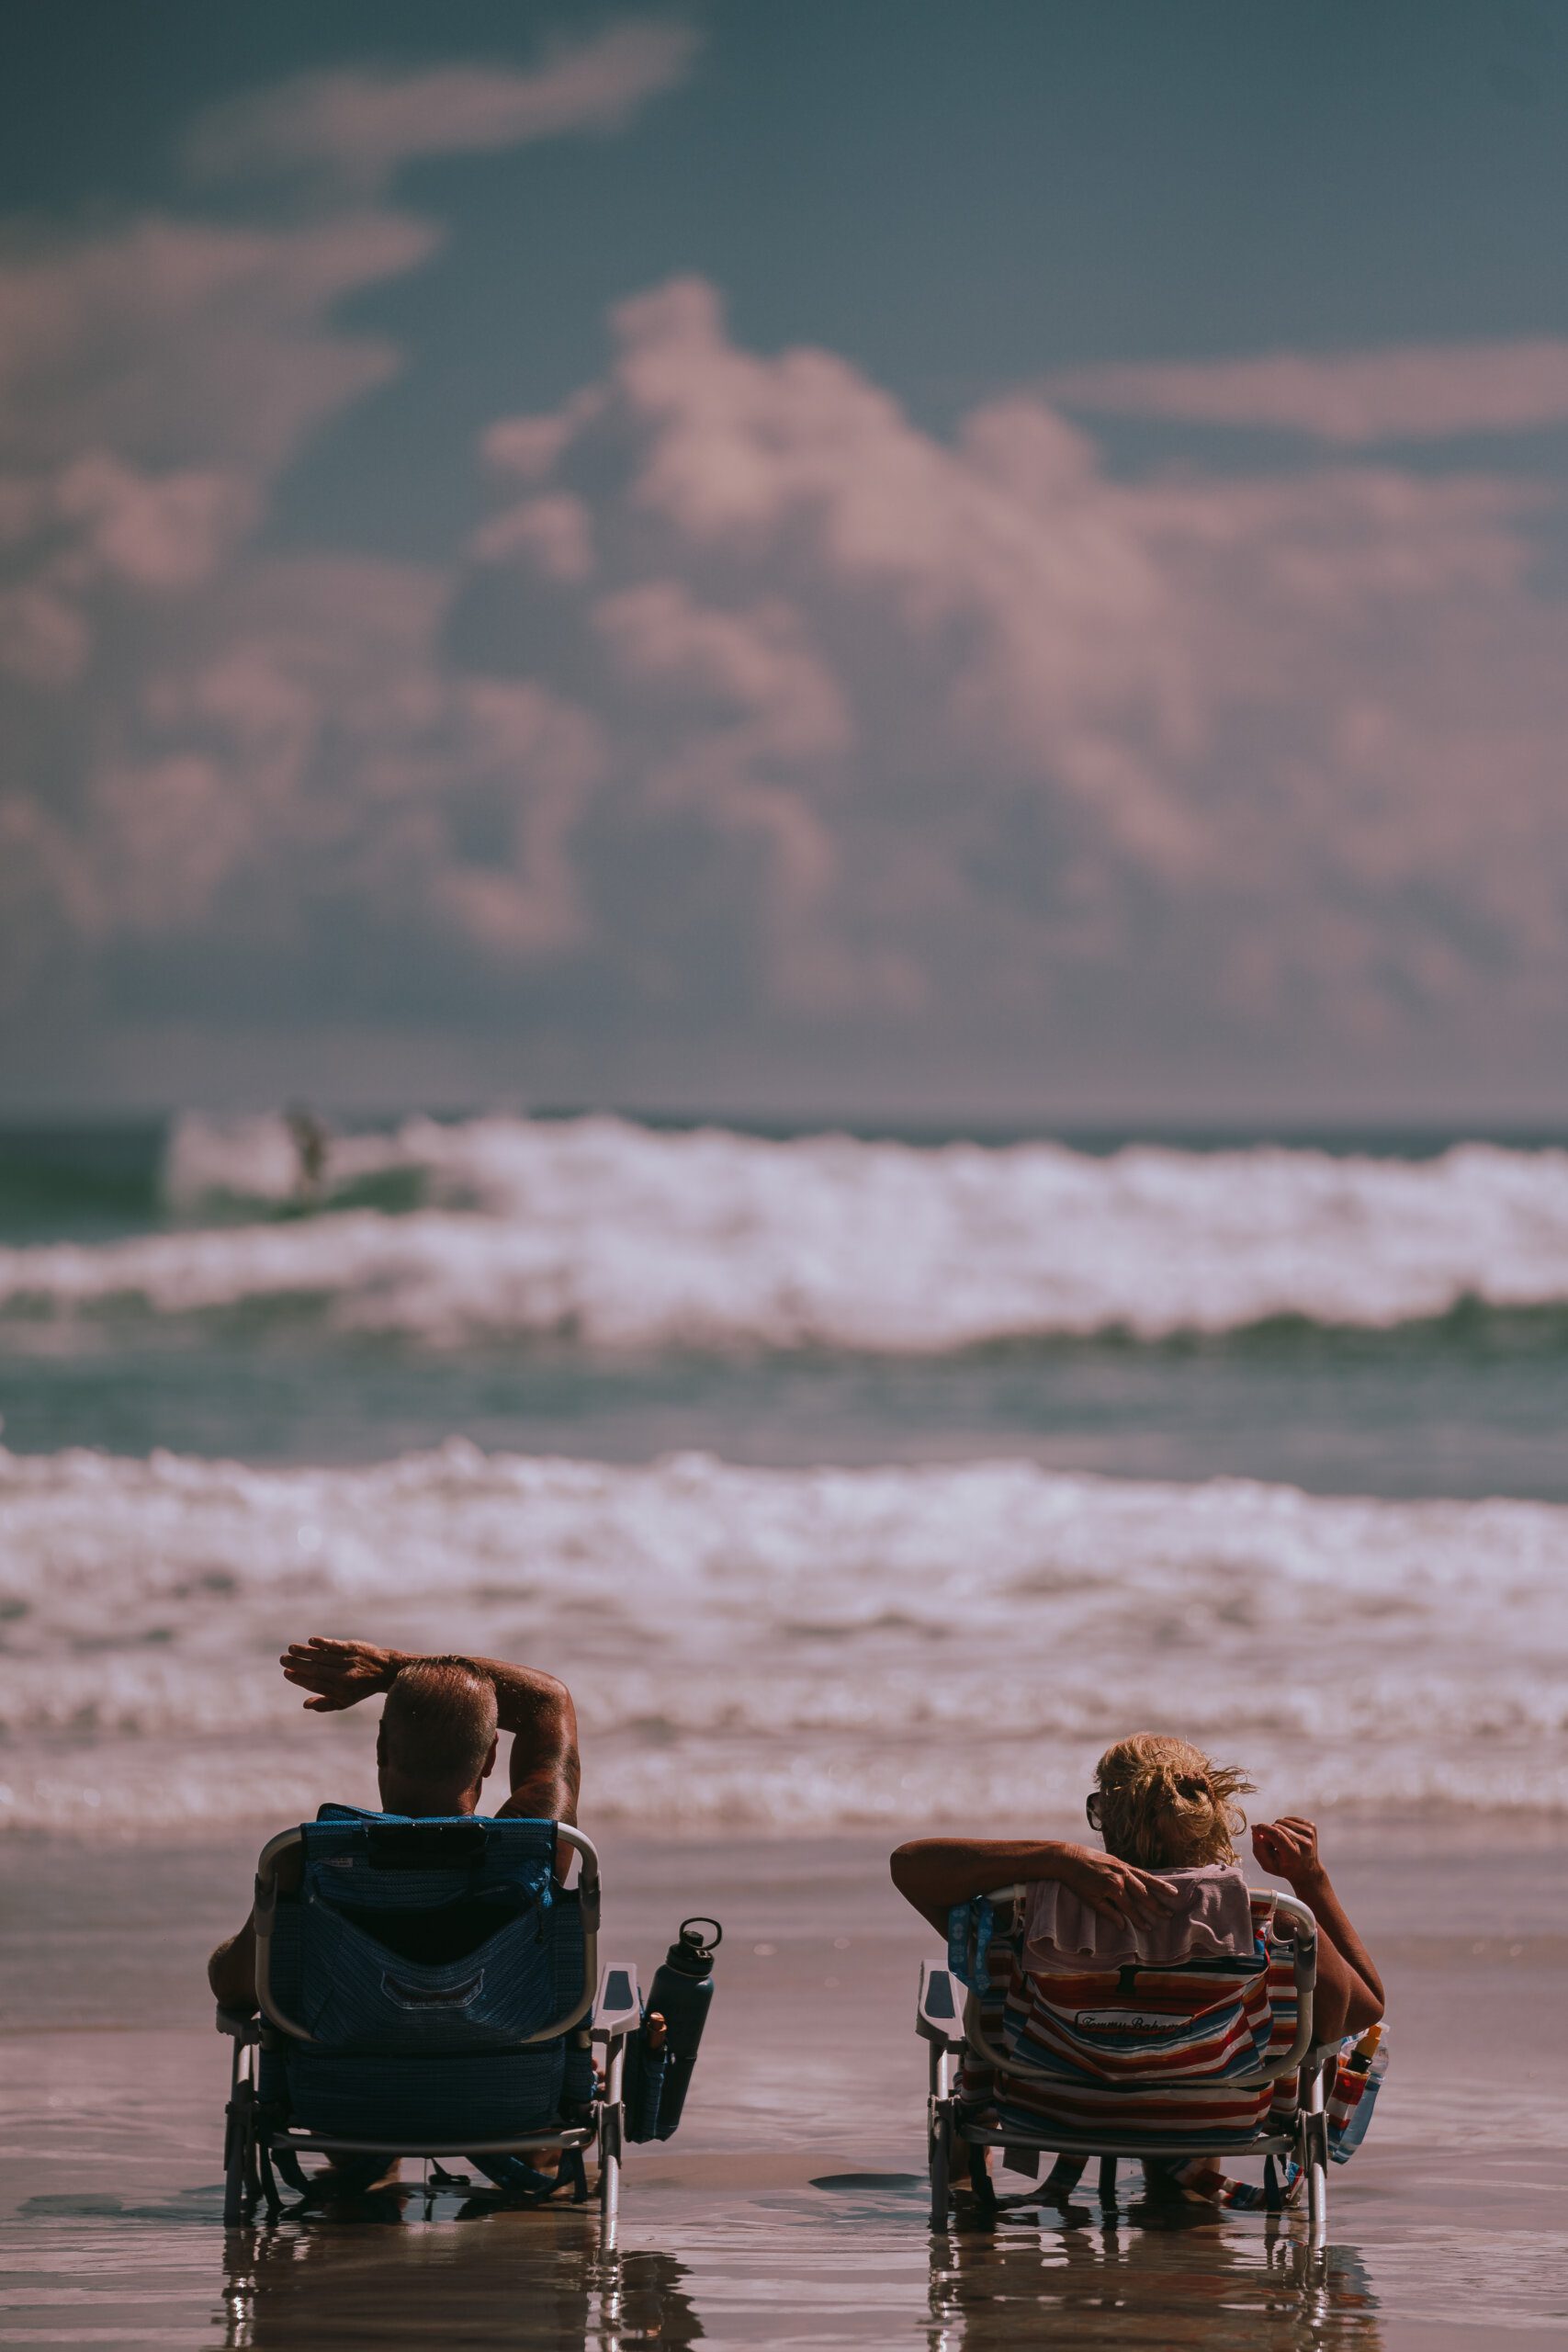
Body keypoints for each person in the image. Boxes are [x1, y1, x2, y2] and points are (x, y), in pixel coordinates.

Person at [890, 1731, 1383, 2044]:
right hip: (1208, 2116)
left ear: (1106, 1818)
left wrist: (1055, 1857)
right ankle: (1179, 2181)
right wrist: (1309, 1881)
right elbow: (1363, 2010)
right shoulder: (1259, 1923)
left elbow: (909, 1864)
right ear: (1209, 1817)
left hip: (1056, 2106)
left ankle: (967, 2170)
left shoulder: (1031, 1913)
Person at [208, 1637, 581, 2012]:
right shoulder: (535, 1851)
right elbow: (548, 1700)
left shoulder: (305, 1861)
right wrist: (389, 1667)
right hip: (515, 2070)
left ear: (381, 1745)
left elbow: (234, 1988)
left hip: (341, 2072)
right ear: (490, 1758)